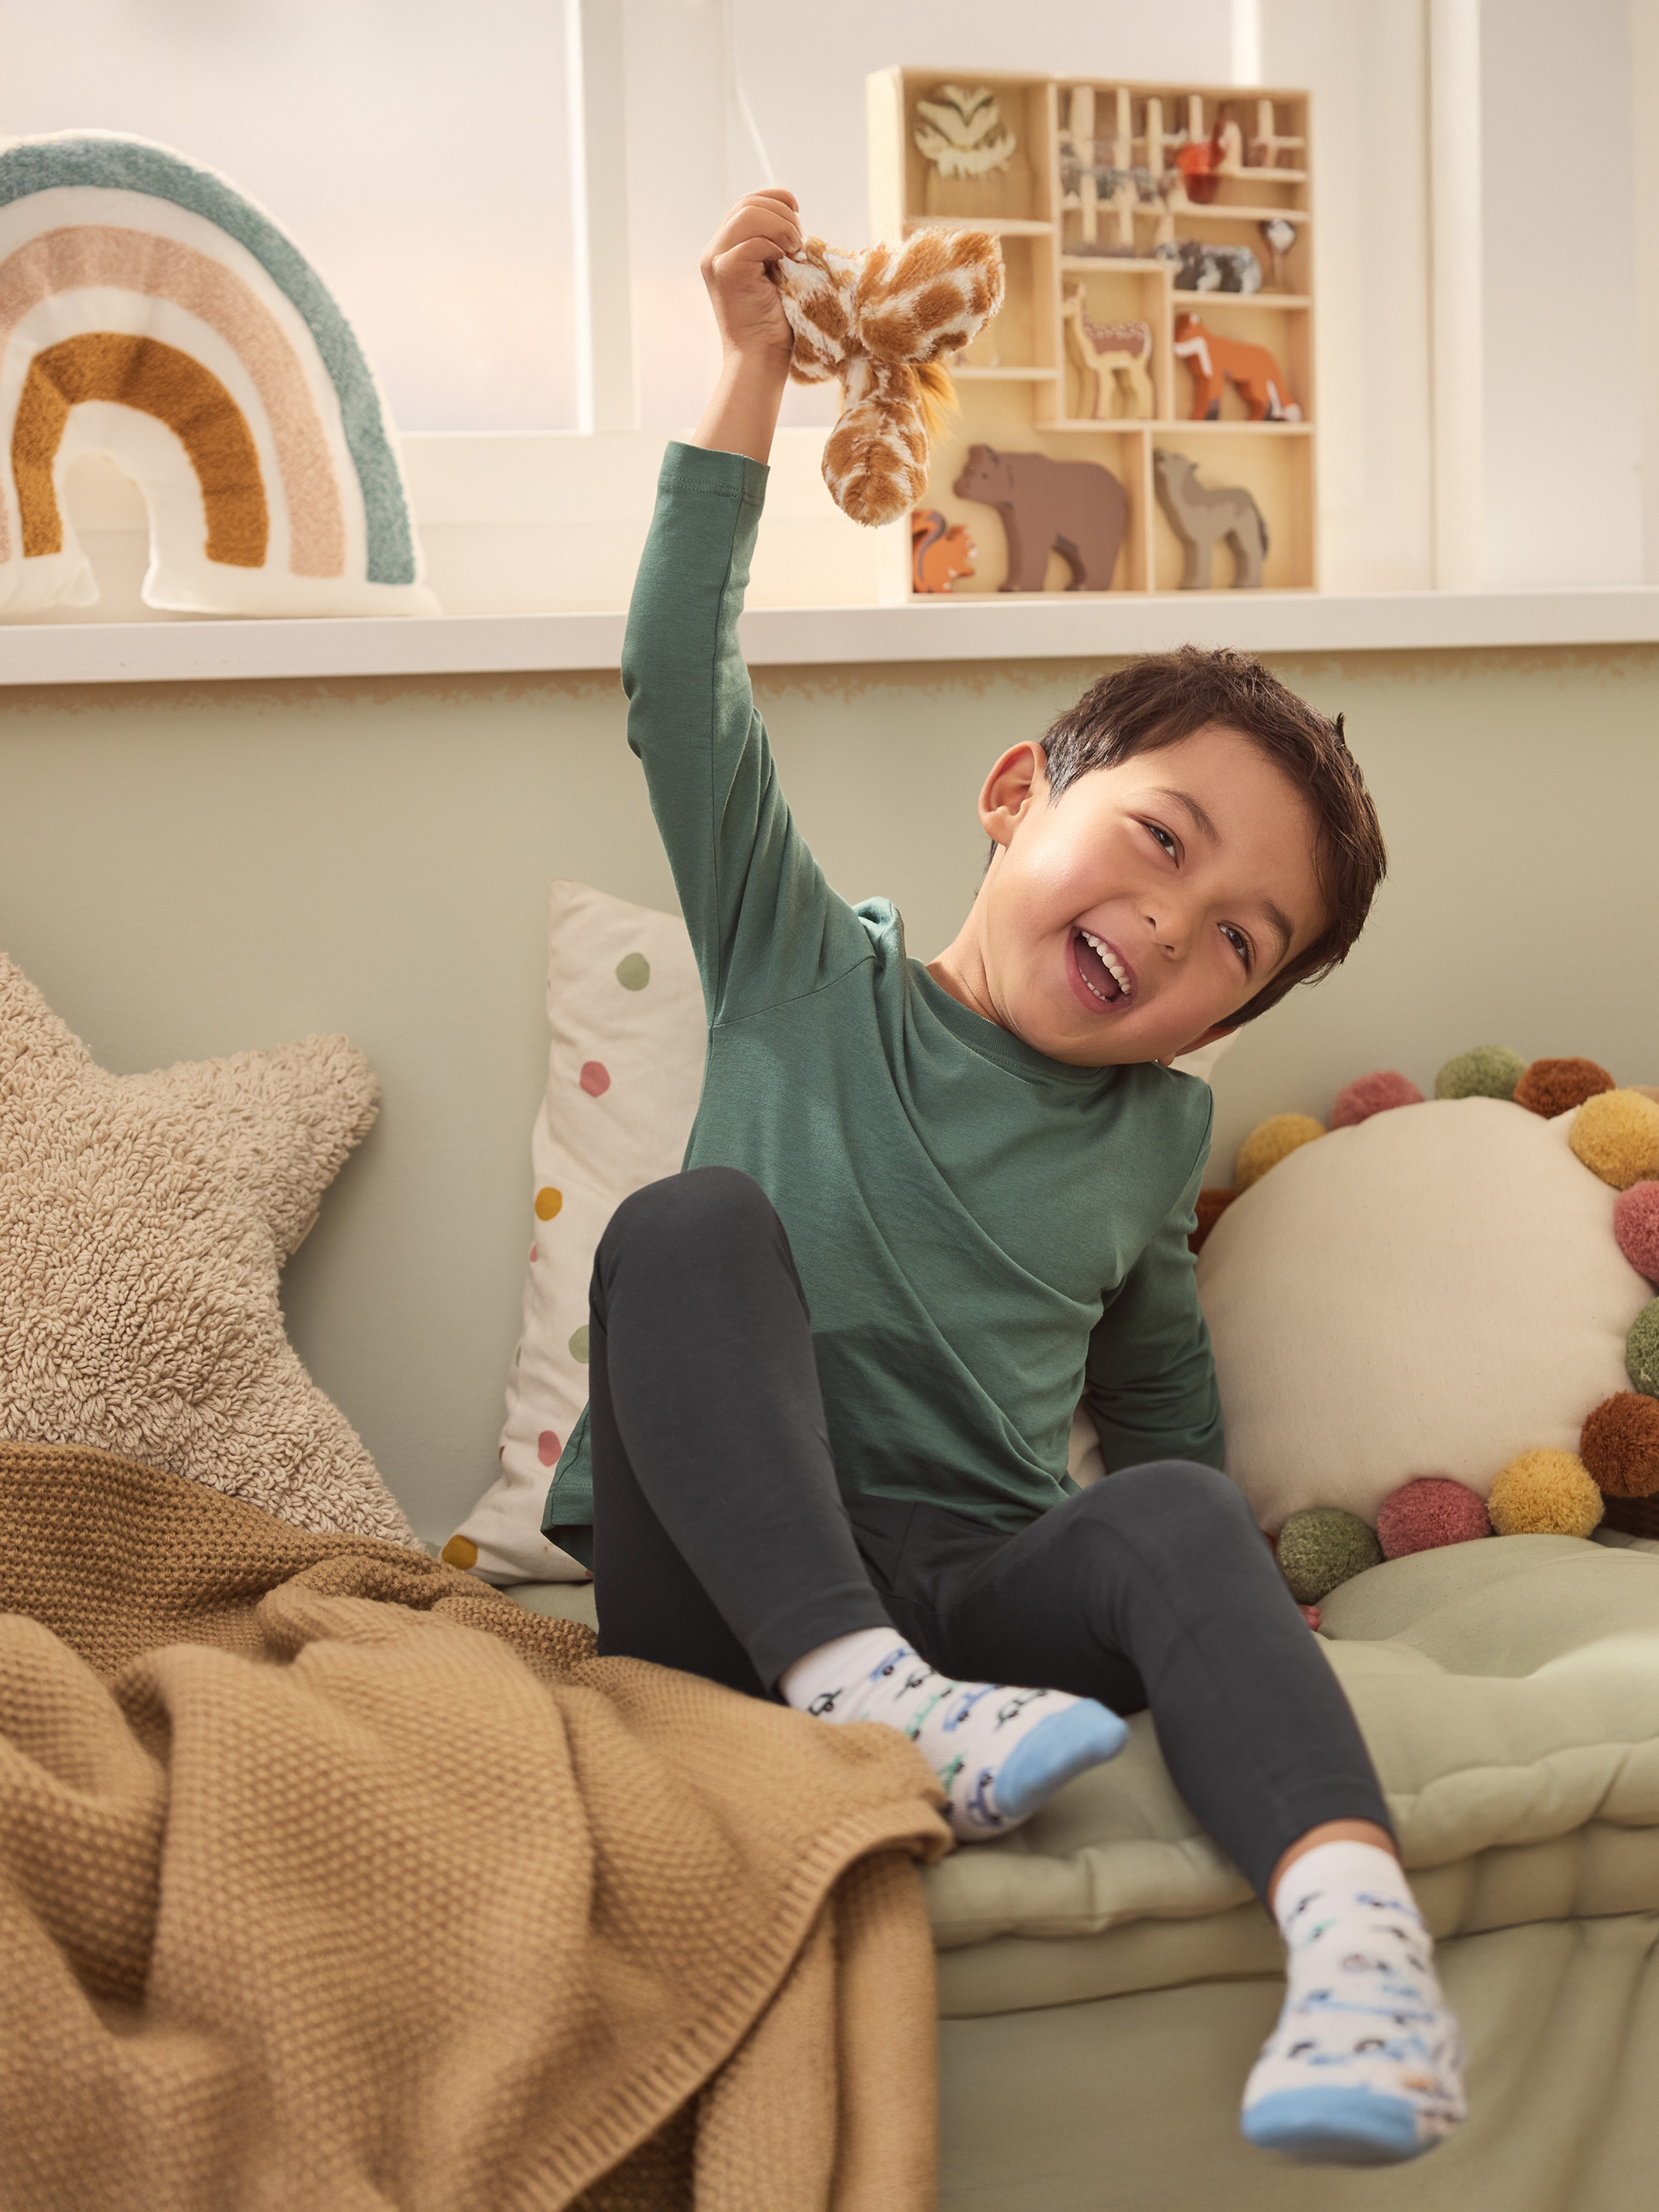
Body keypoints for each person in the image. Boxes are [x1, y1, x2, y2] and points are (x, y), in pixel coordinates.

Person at [542, 189, 1466, 2168]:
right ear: (1015, 794)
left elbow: (1162, 1417)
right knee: (684, 1229)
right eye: (1156, 837)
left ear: (1228, 1020)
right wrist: (750, 385)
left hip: (973, 1603)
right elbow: (670, 681)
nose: (1175, 918)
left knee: (1170, 1512)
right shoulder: (803, 960)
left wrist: (1244, 1604)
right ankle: (855, 1683)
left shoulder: (1155, 1142)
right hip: (721, 1596)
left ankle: (1362, 1949)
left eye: (1238, 938)